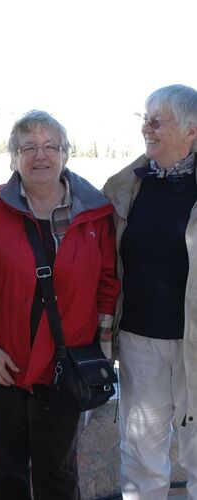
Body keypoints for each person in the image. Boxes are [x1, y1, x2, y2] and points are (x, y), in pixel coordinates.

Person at [0, 110, 119, 500]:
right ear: (13, 156)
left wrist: (99, 354)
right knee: (9, 468)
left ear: (66, 154)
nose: (41, 155)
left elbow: (107, 283)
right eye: (29, 147)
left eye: (51, 146)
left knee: (57, 470)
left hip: (65, 364)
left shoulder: (95, 212)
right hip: (2, 360)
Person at [103, 84, 197, 499]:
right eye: (145, 118)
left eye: (157, 120)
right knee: (140, 454)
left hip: (195, 344)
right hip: (140, 340)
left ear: (191, 130)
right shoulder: (127, 186)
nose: (147, 127)